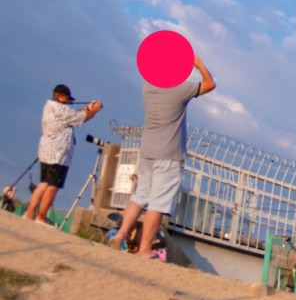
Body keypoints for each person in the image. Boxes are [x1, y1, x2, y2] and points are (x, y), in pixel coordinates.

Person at [113, 54, 215, 258]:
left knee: (140, 196)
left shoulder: (148, 87)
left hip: (147, 150)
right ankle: (144, 249)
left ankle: (119, 236)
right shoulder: (180, 89)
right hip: (168, 153)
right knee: (158, 203)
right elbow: (210, 84)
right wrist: (199, 64)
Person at [22, 84, 103, 225]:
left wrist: (87, 109)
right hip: (58, 154)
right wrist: (94, 110)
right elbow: (80, 118)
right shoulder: (61, 109)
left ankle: (29, 213)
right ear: (61, 96)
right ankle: (40, 217)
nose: (69, 101)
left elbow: (73, 116)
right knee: (53, 185)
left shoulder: (50, 107)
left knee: (43, 184)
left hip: (46, 150)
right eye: (67, 99)